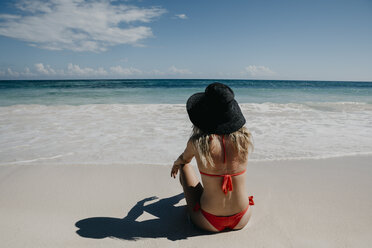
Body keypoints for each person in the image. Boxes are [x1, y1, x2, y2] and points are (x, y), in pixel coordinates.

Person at [171, 82, 254, 232]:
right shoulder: (245, 139)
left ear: (204, 114)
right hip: (242, 217)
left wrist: (176, 164)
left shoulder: (198, 143)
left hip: (209, 220)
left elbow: (184, 159)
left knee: (185, 166)